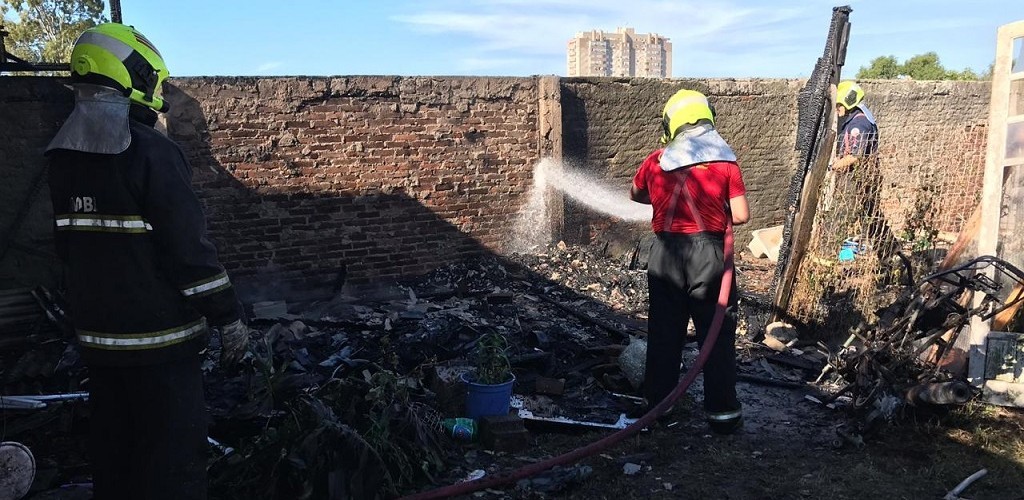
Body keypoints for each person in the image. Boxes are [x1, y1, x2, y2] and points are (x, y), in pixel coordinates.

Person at [45, 23, 250, 500]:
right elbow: (189, 252)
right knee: (172, 462)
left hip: (98, 344)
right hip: (162, 349)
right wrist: (229, 318)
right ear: (135, 74)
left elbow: (68, 254)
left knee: (116, 456)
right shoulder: (154, 152)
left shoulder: (60, 159)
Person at [630, 89, 749, 434]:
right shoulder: (726, 163)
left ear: (672, 124)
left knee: (665, 333)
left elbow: (635, 194)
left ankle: (659, 409)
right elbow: (740, 215)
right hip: (708, 256)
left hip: (665, 254)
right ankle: (723, 414)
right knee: (716, 334)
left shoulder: (655, 161)